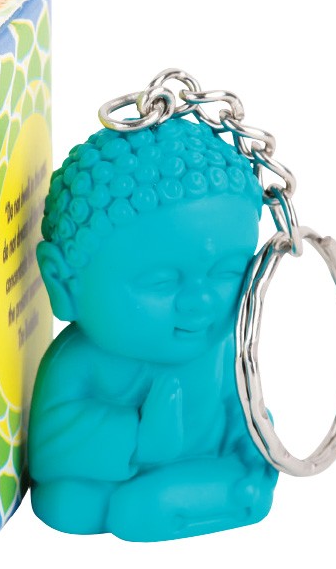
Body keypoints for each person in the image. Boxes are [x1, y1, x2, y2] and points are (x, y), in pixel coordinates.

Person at [29, 117, 278, 541]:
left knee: (139, 507)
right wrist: (138, 437)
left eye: (227, 272)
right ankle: (180, 502)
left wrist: (255, 442)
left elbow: (239, 406)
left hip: (200, 465)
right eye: (162, 281)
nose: (200, 301)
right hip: (111, 473)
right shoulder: (79, 362)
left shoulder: (220, 347)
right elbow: (49, 443)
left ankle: (191, 498)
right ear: (64, 283)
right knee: (67, 504)